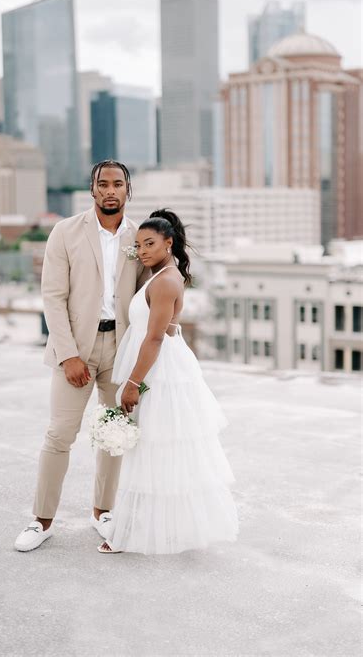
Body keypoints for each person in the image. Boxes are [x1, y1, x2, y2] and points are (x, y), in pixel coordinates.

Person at [15, 160, 150, 552]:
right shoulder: (65, 231)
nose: (110, 190)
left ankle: (102, 513)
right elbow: (53, 298)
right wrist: (68, 355)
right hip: (76, 348)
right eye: (103, 184)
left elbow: (149, 291)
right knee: (59, 435)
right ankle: (41, 522)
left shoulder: (139, 237)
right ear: (92, 190)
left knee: (114, 435)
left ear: (128, 190)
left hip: (121, 350)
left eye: (118, 184)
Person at [97, 209, 239, 554]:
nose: (142, 251)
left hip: (157, 371)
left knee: (151, 447)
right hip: (155, 366)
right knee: (153, 447)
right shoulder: (160, 274)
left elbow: (155, 338)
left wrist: (132, 383)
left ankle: (131, 532)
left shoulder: (164, 281)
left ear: (168, 243)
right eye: (138, 245)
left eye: (150, 244)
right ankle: (144, 526)